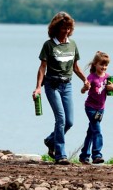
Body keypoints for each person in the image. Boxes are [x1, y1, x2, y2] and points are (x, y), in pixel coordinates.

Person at [32, 11, 90, 165]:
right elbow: (42, 68)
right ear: (56, 29)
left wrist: (85, 79)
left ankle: (51, 140)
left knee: (69, 121)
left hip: (67, 85)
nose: (66, 31)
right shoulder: (49, 45)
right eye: (63, 28)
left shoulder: (73, 44)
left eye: (68, 28)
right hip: (52, 85)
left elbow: (76, 67)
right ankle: (60, 154)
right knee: (61, 119)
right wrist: (38, 87)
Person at [79, 51, 113, 165]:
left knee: (91, 132)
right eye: (101, 64)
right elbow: (82, 91)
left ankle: (84, 156)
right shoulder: (91, 77)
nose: (104, 67)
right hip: (90, 107)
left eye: (106, 65)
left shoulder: (108, 77)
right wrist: (85, 87)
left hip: (101, 109)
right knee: (97, 130)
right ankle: (97, 154)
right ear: (95, 64)